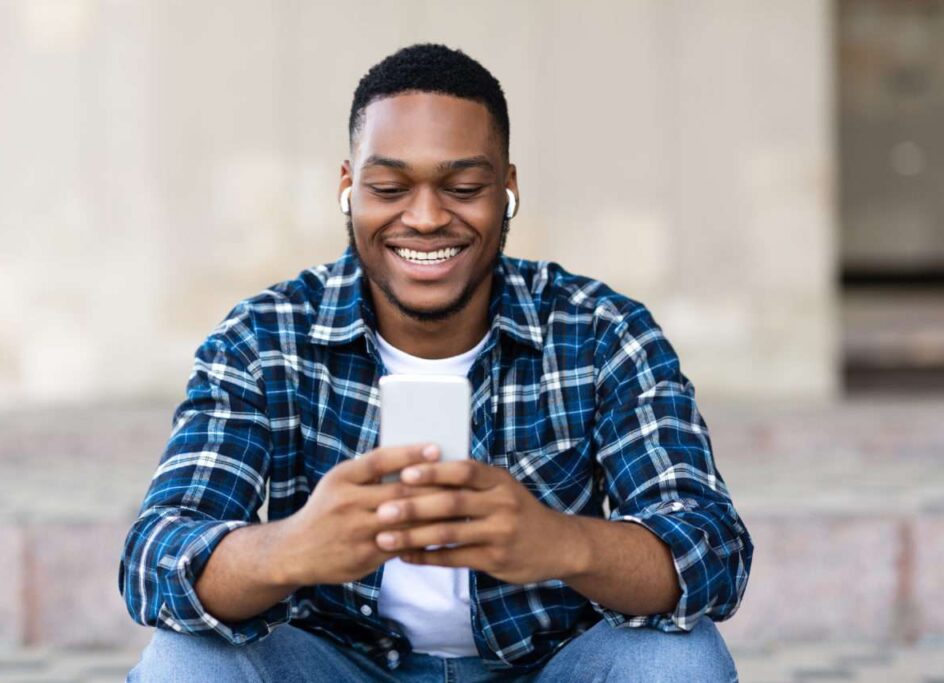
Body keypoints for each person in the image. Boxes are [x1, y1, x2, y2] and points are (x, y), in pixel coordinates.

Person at [120, 43, 753, 682]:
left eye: (464, 187)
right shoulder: (264, 337)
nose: (425, 219)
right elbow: (155, 557)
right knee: (184, 662)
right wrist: (288, 550)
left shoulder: (602, 332)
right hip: (335, 668)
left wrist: (561, 542)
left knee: (679, 661)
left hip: (546, 669)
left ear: (506, 189)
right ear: (349, 189)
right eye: (390, 187)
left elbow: (712, 551)